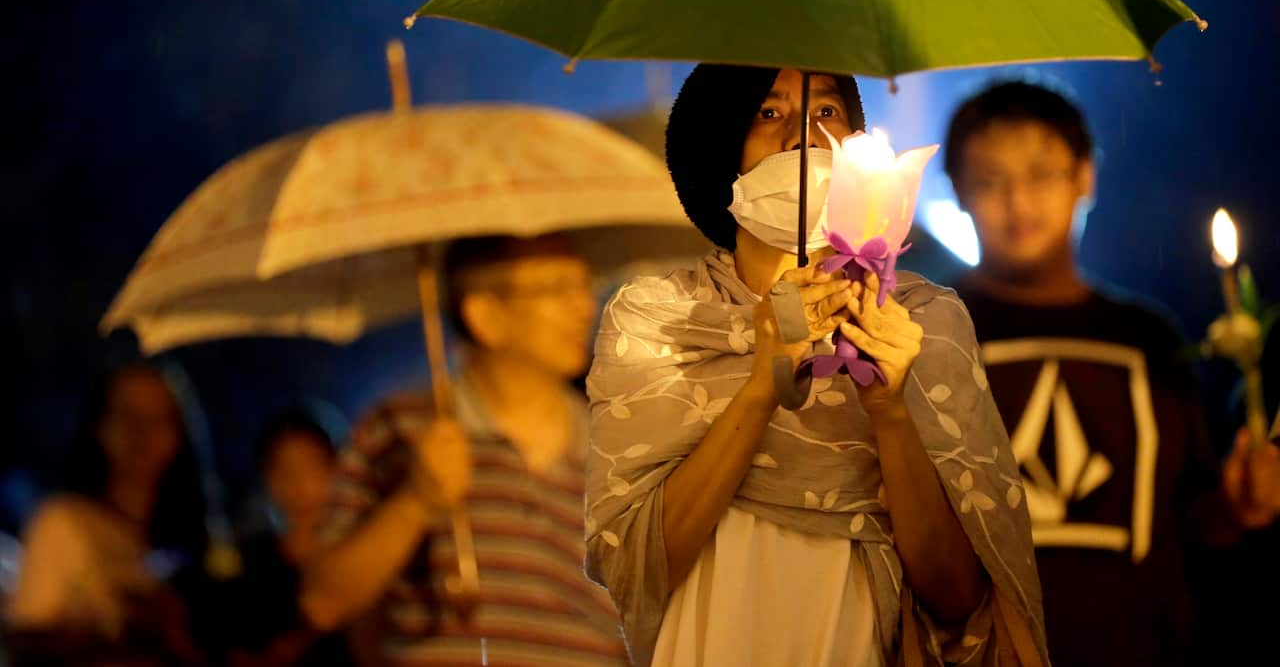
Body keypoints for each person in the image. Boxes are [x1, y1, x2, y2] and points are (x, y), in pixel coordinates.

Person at [586, 65, 1048, 667]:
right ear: (719, 143)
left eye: (826, 113)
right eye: (769, 113)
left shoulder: (919, 323)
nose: (802, 137)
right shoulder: (660, 321)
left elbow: (958, 599)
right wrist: (761, 387)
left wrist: (888, 410)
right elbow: (638, 563)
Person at [942, 78, 1280, 667]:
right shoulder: (931, 329)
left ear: (1085, 177)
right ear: (958, 191)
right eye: (990, 179)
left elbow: (1191, 521)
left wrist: (1241, 502)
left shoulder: (1146, 337)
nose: (1018, 202)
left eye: (1041, 174)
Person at [299, 234, 628, 665]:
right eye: (557, 288)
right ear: (486, 316)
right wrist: (416, 502)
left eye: (585, 285)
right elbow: (323, 602)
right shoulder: (402, 428)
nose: (586, 306)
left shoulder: (619, 446)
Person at [5, 362, 212, 665]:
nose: (142, 434)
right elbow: (26, 638)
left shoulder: (170, 546)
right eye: (127, 416)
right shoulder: (63, 523)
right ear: (99, 427)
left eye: (159, 419)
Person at [224, 406, 354, 667]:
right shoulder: (252, 561)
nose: (298, 485)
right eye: (283, 470)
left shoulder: (357, 555)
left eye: (310, 467)